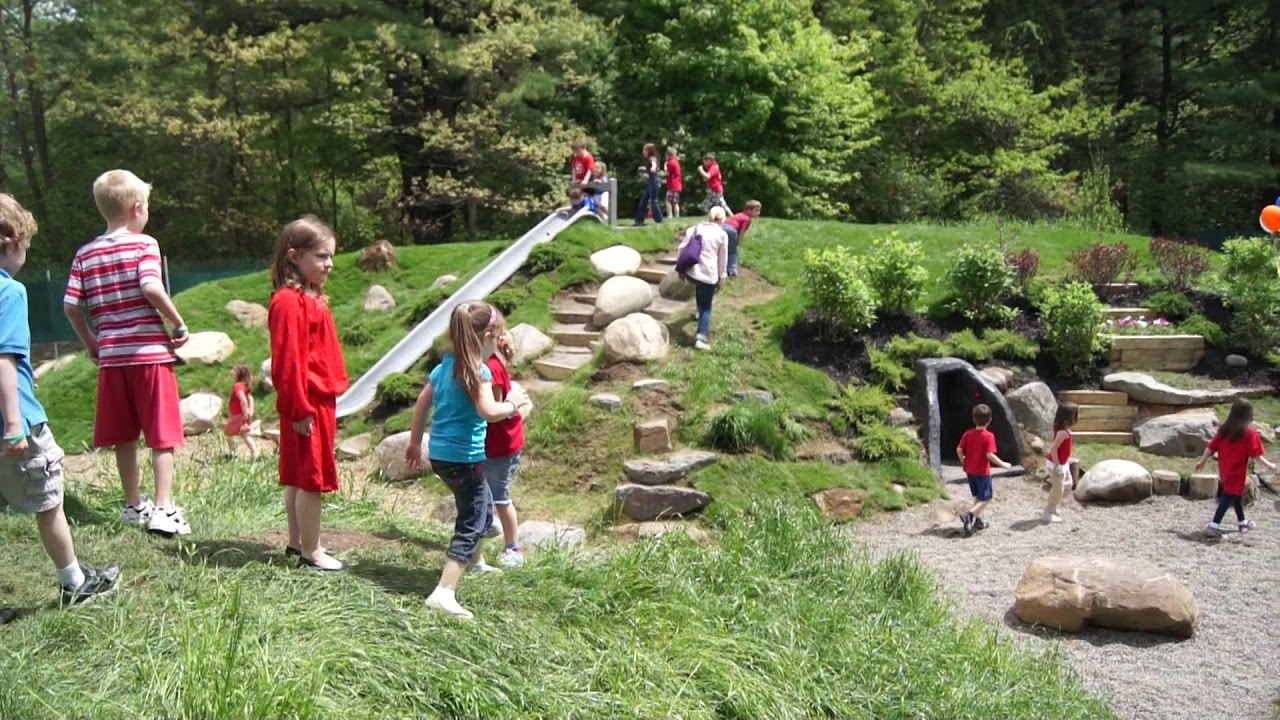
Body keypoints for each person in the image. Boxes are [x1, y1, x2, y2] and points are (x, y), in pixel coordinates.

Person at [0, 193, 119, 616]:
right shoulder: (9, 292)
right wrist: (14, 423)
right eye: (26, 246)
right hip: (18, 425)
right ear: (12, 241)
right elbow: (6, 360)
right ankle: (75, 582)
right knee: (49, 502)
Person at [63, 169, 191, 537]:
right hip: (150, 355)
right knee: (162, 434)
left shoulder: (84, 254)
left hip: (112, 359)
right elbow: (151, 285)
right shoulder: (144, 244)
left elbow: (71, 305)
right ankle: (165, 509)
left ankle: (134, 505)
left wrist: (90, 341)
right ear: (137, 209)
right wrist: (177, 322)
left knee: (125, 436)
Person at [405, 301, 530, 618]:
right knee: (472, 519)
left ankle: (475, 561)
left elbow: (421, 405)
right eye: (496, 339)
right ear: (487, 335)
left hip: (441, 455)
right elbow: (488, 412)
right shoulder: (478, 370)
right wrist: (513, 404)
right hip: (465, 457)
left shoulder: (444, 366)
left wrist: (414, 443)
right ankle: (444, 591)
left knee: (479, 501)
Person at [269, 216, 349, 571]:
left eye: (330, 256)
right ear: (293, 256)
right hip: (307, 402)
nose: (328, 263)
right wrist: (298, 408)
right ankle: (312, 552)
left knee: (300, 476)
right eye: (320, 256)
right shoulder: (289, 302)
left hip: (316, 400)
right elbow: (288, 361)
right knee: (310, 479)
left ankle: (298, 541)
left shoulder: (310, 296)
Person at [1195, 398, 1277, 537]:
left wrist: (1202, 460)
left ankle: (1242, 522)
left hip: (1225, 470)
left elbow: (1211, 446)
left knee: (1235, 495)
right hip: (1238, 471)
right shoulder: (1249, 433)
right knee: (1228, 496)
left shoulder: (1224, 430)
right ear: (1248, 415)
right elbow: (1256, 454)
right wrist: (1270, 466)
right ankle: (1213, 525)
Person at [483, 333, 526, 568]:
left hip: (501, 446)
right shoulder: (493, 363)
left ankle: (513, 547)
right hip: (498, 443)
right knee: (488, 490)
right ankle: (488, 524)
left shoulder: (491, 368)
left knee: (501, 496)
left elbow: (496, 409)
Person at [676, 207, 729, 351]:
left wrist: (680, 269)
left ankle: (698, 312)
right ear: (722, 220)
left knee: (700, 288)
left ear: (709, 217)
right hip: (708, 274)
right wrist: (722, 277)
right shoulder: (722, 235)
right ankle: (701, 337)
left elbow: (682, 249)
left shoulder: (695, 228)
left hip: (692, 272)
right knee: (707, 305)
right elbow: (723, 259)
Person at [955, 404, 1012, 537]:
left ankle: (977, 521)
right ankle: (969, 515)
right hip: (982, 472)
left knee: (978, 497)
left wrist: (963, 461)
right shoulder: (988, 436)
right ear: (990, 420)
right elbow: (989, 455)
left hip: (970, 471)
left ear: (973, 419)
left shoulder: (968, 434)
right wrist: (1003, 464)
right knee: (986, 498)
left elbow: (959, 449)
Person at [1043, 402, 1077, 524]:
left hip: (1063, 463)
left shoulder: (1065, 430)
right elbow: (1054, 449)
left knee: (1067, 484)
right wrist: (1058, 465)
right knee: (1058, 489)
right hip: (1056, 465)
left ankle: (1054, 507)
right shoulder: (1062, 433)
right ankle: (1048, 512)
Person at [224, 362, 260, 459]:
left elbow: (243, 400)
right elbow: (250, 399)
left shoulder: (238, 387)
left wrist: (244, 413)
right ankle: (254, 452)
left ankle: (233, 452)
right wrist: (250, 412)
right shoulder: (245, 386)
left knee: (227, 432)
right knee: (245, 435)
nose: (231, 372)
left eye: (234, 370)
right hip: (243, 415)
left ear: (239, 374)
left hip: (238, 415)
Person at [721, 199, 761, 278]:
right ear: (749, 210)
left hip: (723, 228)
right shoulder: (747, 219)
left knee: (723, 248)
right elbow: (742, 231)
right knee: (732, 252)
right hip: (732, 231)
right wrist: (739, 242)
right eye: (756, 211)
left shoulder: (739, 214)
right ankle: (732, 271)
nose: (758, 213)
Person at [634, 143, 664, 226]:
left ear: (650, 151)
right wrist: (645, 169)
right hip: (651, 182)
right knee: (644, 201)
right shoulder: (650, 159)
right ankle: (639, 220)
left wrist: (653, 168)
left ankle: (659, 220)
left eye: (645, 150)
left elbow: (653, 164)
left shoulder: (652, 158)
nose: (643, 152)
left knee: (654, 201)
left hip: (654, 182)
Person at [664, 147, 683, 219]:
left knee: (668, 200)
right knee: (675, 202)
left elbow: (667, 173)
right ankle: (677, 216)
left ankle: (670, 215)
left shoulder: (670, 162)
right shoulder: (676, 162)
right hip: (677, 185)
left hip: (672, 185)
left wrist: (665, 167)